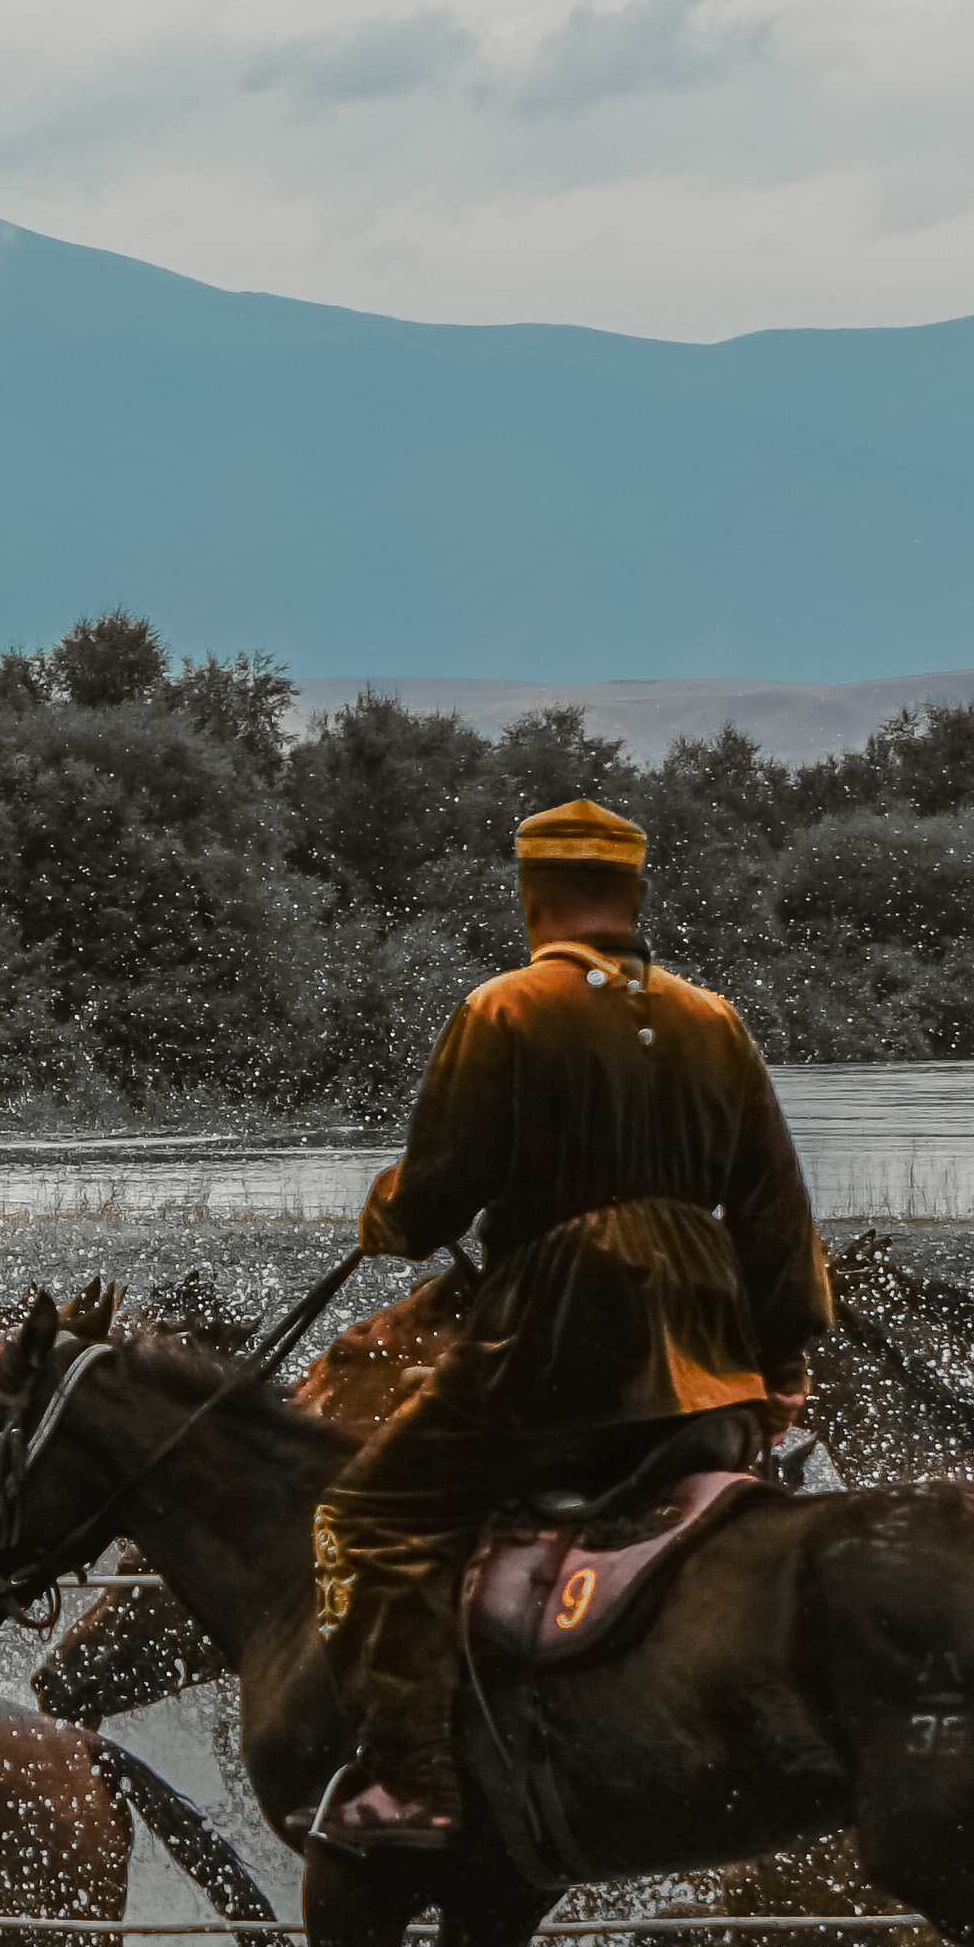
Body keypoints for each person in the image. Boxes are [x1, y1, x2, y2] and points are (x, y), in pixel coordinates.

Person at [301, 797, 834, 1859]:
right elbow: (777, 1215)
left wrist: (386, 1212)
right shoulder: (714, 1020)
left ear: (530, 896)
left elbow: (437, 1196)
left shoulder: (505, 1008)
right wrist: (779, 1366)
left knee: (365, 1515)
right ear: (632, 897)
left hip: (556, 1350)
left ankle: (413, 1780)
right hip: (709, 1365)